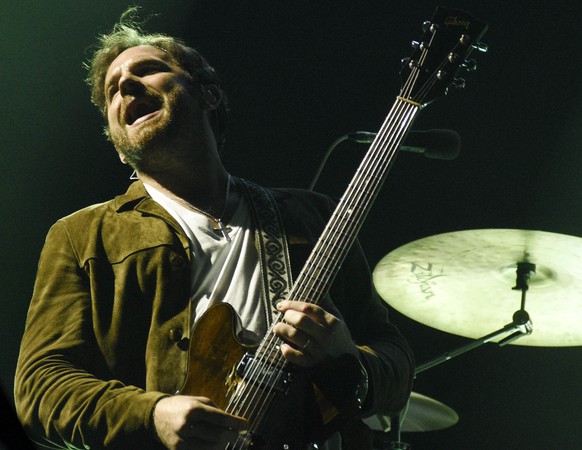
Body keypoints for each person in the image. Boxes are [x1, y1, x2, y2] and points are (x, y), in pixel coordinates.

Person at [14, 7, 414, 450]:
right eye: (112, 90)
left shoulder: (311, 216)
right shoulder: (81, 235)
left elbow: (395, 357)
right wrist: (150, 414)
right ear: (120, 149)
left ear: (208, 94)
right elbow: (40, 387)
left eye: (147, 70)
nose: (126, 85)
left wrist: (348, 360)